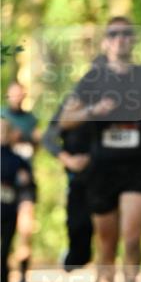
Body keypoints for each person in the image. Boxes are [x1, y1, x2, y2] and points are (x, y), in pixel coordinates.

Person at [59, 18, 141, 282]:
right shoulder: (93, 79)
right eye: (113, 34)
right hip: (102, 170)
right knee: (107, 244)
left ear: (132, 41)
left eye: (126, 34)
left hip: (136, 167)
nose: (120, 40)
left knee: (131, 239)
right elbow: (65, 120)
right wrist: (95, 110)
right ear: (106, 42)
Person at [42, 93, 94, 272]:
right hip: (76, 178)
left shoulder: (105, 104)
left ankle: (88, 258)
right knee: (76, 222)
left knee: (93, 222)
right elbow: (48, 138)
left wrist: (91, 157)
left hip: (101, 174)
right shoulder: (70, 103)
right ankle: (76, 256)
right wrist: (68, 160)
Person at [3, 82, 39, 282]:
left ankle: (24, 277)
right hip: (4, 179)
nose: (17, 98)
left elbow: (37, 143)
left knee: (25, 229)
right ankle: (4, 279)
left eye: (20, 95)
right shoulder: (1, 114)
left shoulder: (31, 119)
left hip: (24, 179)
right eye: (13, 95)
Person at [1, 111, 33, 282]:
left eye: (5, 131)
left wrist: (24, 179)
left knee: (4, 250)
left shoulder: (18, 159)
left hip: (9, 211)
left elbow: (28, 184)